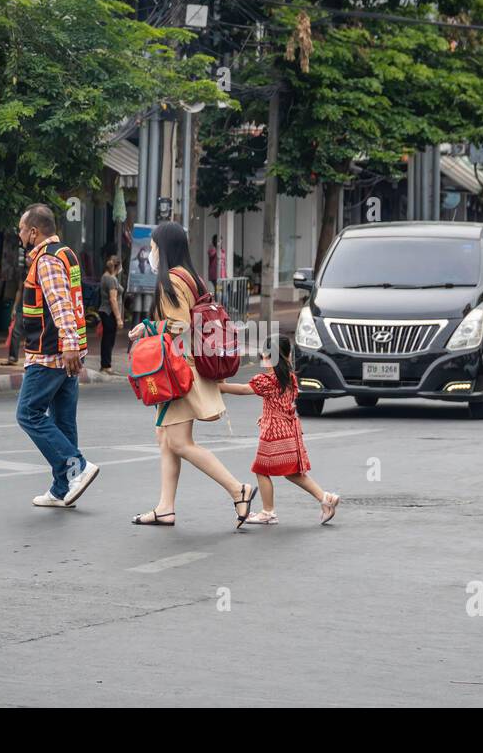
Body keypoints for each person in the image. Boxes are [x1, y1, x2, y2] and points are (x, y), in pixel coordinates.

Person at [127, 221, 257, 528]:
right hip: (190, 367)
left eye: (155, 247)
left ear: (164, 249)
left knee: (180, 442)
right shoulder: (194, 278)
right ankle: (165, 507)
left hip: (178, 371)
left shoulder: (171, 280)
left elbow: (179, 327)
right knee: (167, 439)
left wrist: (146, 327)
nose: (152, 253)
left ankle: (237, 488)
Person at [14, 204, 100, 508]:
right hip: (65, 351)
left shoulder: (47, 260)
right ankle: (63, 488)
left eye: (22, 229)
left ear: (34, 231)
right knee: (63, 419)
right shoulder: (66, 253)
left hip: (50, 352)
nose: (20, 234)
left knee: (28, 413)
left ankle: (76, 466)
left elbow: (60, 304)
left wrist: (68, 345)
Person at [219, 335, 340, 525]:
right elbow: (281, 403)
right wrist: (266, 414)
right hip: (289, 429)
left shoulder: (267, 380)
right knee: (292, 472)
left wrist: (221, 387)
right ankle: (326, 498)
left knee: (261, 469)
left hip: (274, 433)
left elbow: (244, 389)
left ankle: (268, 512)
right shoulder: (289, 377)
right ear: (288, 354)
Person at [98, 254, 124, 374]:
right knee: (109, 340)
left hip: (104, 311)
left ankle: (105, 365)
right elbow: (113, 300)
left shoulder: (105, 276)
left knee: (106, 340)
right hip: (109, 312)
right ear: (117, 266)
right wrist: (118, 318)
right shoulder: (111, 279)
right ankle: (106, 365)